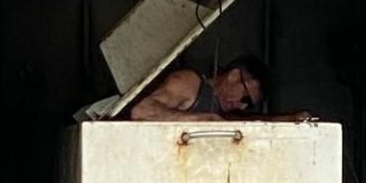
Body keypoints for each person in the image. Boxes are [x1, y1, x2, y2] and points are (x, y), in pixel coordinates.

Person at [129, 55, 311, 123]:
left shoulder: (221, 112)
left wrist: (289, 119)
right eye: (245, 98)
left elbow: (252, 121)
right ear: (233, 76)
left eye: (248, 106)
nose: (241, 107)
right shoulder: (189, 82)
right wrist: (198, 120)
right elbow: (142, 111)